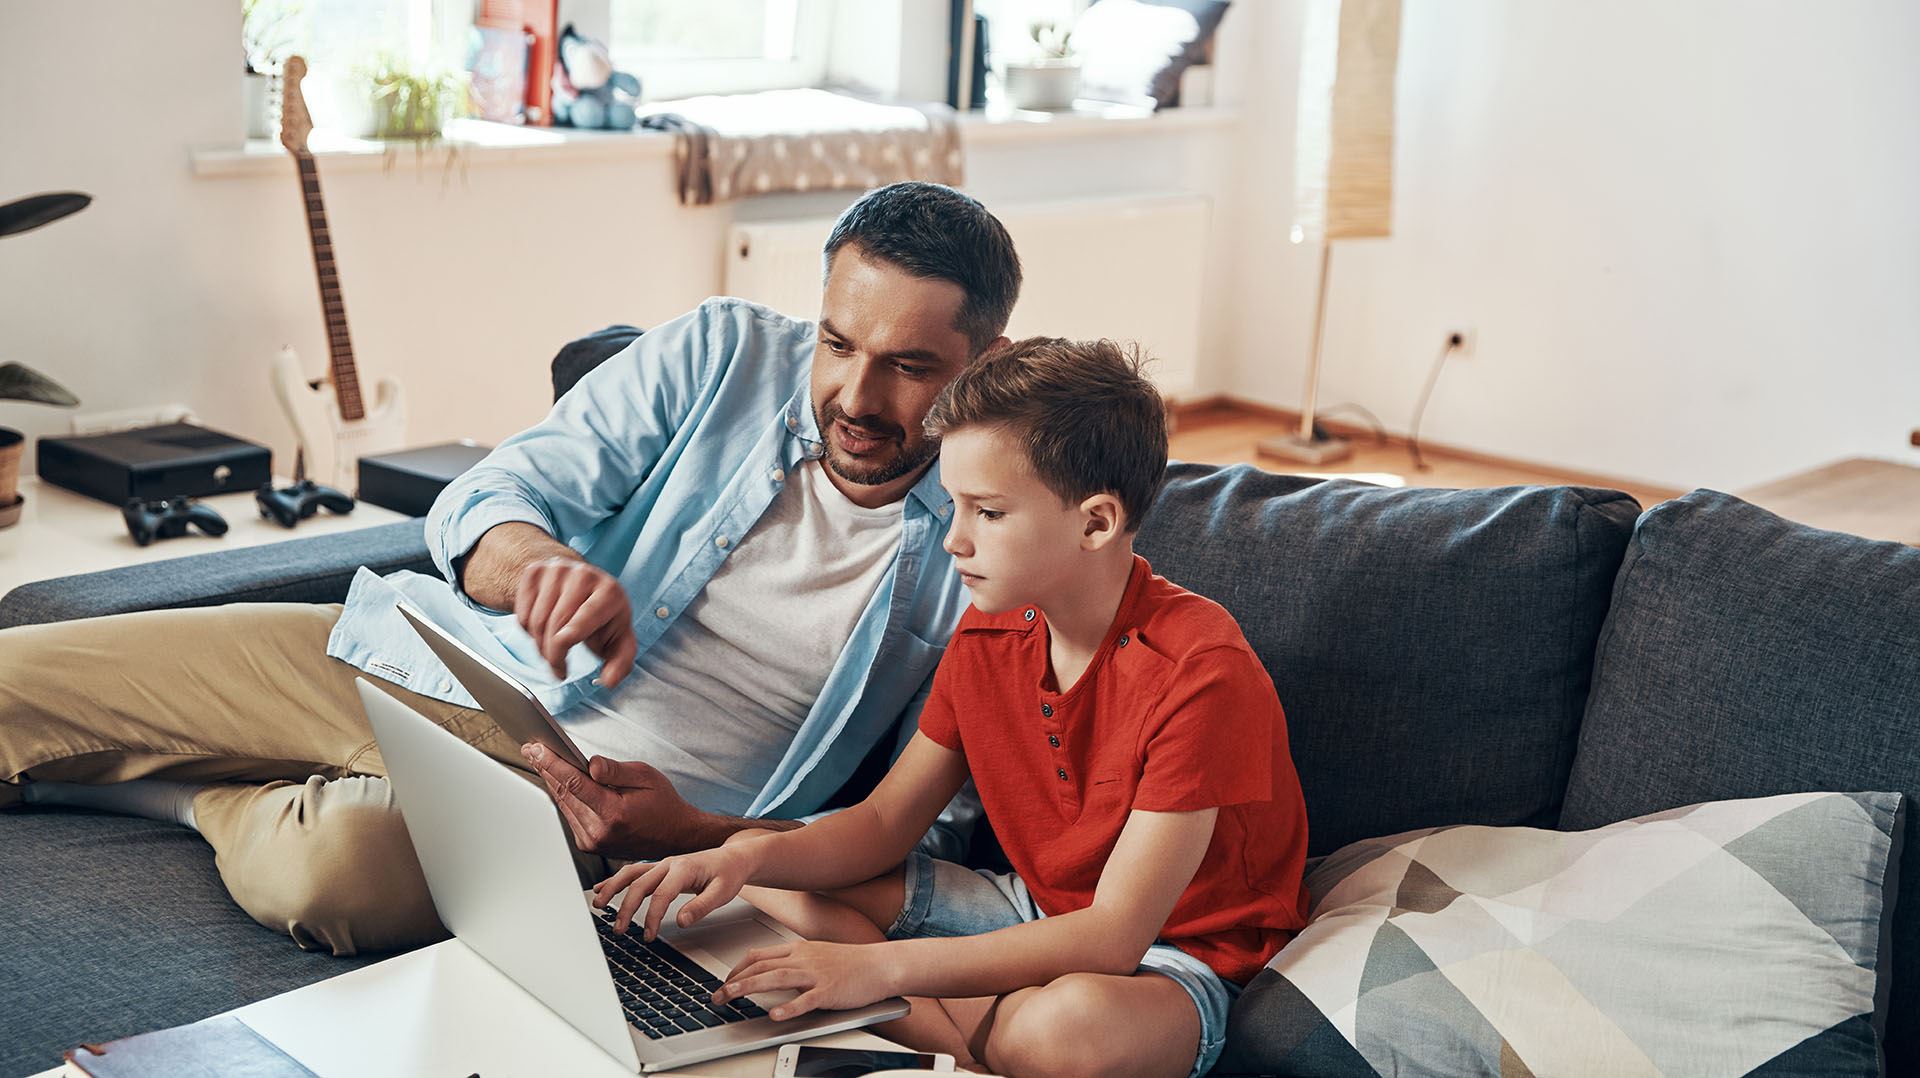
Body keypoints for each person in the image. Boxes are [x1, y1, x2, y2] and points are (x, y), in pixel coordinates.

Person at [0, 182, 1020, 955]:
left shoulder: (1000, 532)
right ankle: (200, 763)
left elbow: (922, 834)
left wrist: (697, 831)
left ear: (983, 356)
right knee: (17, 679)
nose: (854, 391)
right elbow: (487, 500)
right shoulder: (722, 355)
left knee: (334, 876)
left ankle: (182, 788)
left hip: (580, 814)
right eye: (839, 342)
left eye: (909, 366)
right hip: (429, 660)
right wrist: (535, 565)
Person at [592, 338, 1312, 1078]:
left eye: (989, 512)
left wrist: (883, 971)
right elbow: (881, 824)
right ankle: (970, 1041)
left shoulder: (1201, 673)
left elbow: (1112, 938)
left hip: (1176, 948)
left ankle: (943, 1031)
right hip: (1033, 908)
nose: (955, 540)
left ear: (1095, 523)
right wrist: (743, 851)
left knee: (1063, 1036)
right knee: (772, 885)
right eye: (954, 505)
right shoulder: (991, 629)